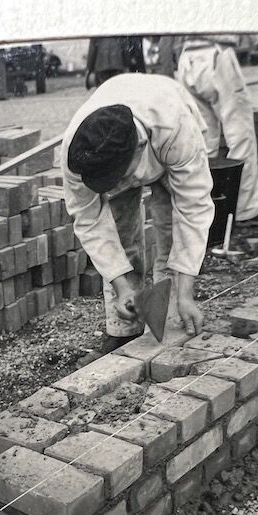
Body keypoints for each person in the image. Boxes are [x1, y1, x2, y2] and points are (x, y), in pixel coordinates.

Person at [61, 73, 214, 354]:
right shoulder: (77, 152)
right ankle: (125, 333)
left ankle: (169, 325)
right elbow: (89, 220)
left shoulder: (177, 127)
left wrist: (186, 290)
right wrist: (121, 285)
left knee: (169, 233)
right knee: (119, 229)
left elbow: (193, 209)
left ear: (140, 148)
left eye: (118, 178)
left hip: (167, 136)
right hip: (121, 133)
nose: (116, 187)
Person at [176, 35, 258, 226]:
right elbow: (255, 39)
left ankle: (202, 208)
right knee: (241, 138)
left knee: (203, 141)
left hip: (187, 57)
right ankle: (246, 209)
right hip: (218, 55)